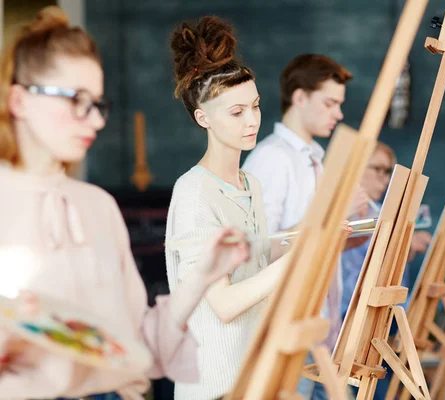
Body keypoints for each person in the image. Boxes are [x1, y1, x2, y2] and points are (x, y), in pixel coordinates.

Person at [0, 7, 250, 400]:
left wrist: (201, 275)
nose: (96, 121)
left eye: (97, 103)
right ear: (19, 100)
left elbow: (138, 344)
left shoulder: (98, 207)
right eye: (75, 99)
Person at [164, 16, 308, 400]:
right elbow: (224, 303)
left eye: (255, 107)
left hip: (253, 376)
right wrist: (298, 261)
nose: (252, 121)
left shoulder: (251, 185)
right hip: (214, 385)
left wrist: (309, 238)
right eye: (236, 112)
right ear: (203, 118)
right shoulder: (194, 192)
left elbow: (254, 264)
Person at [243, 53, 370, 400]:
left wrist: (354, 230)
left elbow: (319, 244)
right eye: (330, 103)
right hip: (282, 328)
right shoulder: (271, 159)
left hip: (316, 329)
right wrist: (330, 215)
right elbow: (260, 249)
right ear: (300, 97)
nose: (339, 114)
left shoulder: (316, 158)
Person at [341, 142, 432, 400]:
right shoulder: (353, 212)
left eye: (387, 172)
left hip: (381, 323)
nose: (383, 179)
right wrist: (402, 241)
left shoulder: (380, 211)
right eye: (377, 170)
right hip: (350, 324)